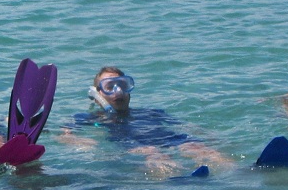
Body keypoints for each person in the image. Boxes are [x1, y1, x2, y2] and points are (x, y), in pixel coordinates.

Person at [61, 67, 224, 176]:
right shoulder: (91, 117)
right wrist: (78, 140)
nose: (118, 91)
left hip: (168, 137)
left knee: (195, 146)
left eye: (122, 85)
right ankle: (173, 179)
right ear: (97, 95)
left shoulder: (150, 112)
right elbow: (65, 133)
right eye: (109, 87)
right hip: (136, 144)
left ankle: (235, 173)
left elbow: (182, 125)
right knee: (152, 152)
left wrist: (206, 134)